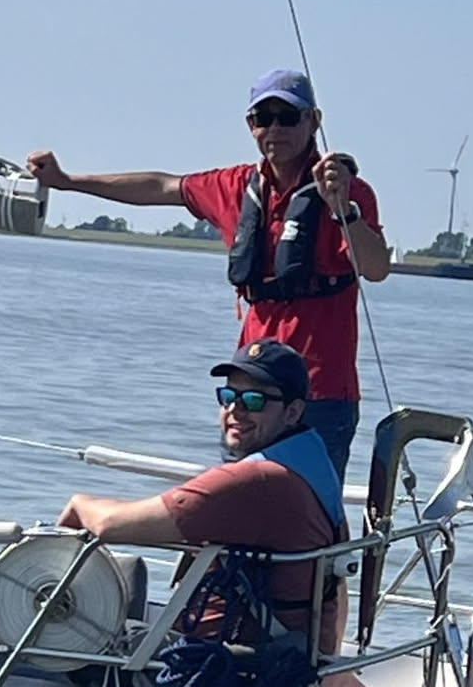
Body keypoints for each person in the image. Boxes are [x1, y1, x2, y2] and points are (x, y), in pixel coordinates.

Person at [27, 68, 390, 482]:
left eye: (288, 117)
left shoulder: (347, 191)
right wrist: (66, 182)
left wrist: (343, 210)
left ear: (314, 121)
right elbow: (160, 187)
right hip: (250, 394)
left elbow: (376, 268)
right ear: (251, 126)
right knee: (238, 504)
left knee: (311, 512)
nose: (275, 129)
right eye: (263, 118)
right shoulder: (235, 186)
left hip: (320, 396)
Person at [56, 338, 347, 660]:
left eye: (254, 400)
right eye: (228, 397)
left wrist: (79, 504)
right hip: (290, 657)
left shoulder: (259, 481)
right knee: (130, 571)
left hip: (218, 665)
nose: (235, 410)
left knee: (64, 627)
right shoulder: (313, 470)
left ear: (292, 412)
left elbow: (112, 525)